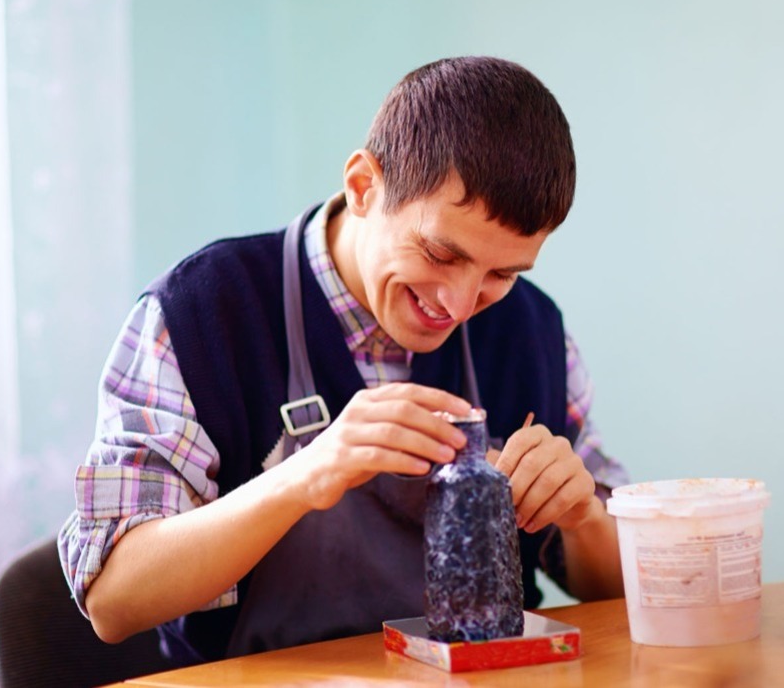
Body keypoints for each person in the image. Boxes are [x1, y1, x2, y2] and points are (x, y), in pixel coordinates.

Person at [58, 55, 629, 664]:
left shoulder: (531, 332)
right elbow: (114, 602)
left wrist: (583, 518)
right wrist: (307, 475)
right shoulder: (198, 315)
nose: (461, 302)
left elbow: (619, 593)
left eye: (502, 274)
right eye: (440, 253)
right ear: (363, 187)